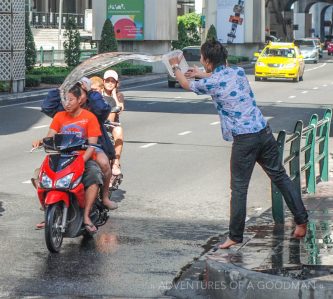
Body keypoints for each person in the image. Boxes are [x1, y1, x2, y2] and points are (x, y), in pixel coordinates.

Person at [169, 39, 308, 249]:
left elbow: (185, 84)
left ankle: (235, 236)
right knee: (279, 176)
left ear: (207, 61)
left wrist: (175, 66)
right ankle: (301, 221)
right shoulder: (237, 72)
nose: (200, 61)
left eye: (201, 58)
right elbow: (216, 77)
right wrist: (200, 72)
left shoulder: (212, 82)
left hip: (245, 140)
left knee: (239, 188)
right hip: (263, 131)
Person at [32, 85, 105, 233]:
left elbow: (92, 146)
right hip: (61, 157)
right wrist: (41, 141)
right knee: (39, 175)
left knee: (94, 177)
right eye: (65, 99)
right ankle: (48, 214)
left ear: (80, 99)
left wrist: (82, 161)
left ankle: (86, 217)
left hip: (82, 157)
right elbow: (50, 136)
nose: (67, 103)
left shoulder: (89, 117)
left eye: (71, 99)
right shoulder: (59, 116)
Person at [102, 70, 125, 176]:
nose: (110, 83)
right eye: (107, 81)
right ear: (103, 81)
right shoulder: (98, 93)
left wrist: (114, 93)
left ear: (116, 83)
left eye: (113, 81)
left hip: (112, 125)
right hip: (98, 123)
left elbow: (120, 108)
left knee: (119, 131)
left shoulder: (119, 95)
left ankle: (116, 162)